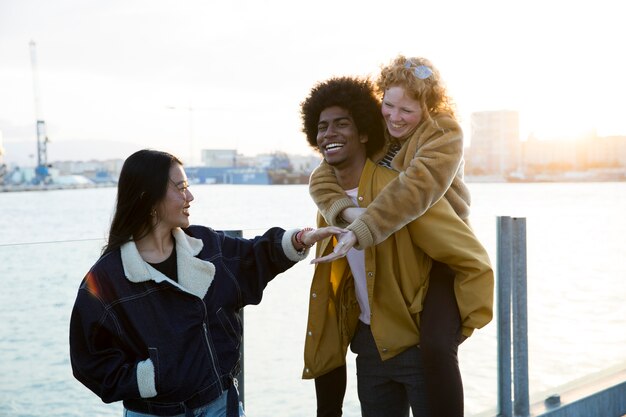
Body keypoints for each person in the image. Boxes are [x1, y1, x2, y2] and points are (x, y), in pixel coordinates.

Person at [69, 149, 344, 417]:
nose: (190, 196)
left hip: (222, 406)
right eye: (180, 187)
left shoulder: (207, 246)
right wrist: (148, 377)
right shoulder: (108, 277)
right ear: (148, 196)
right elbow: (89, 361)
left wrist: (297, 240)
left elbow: (252, 256)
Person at [300, 77, 494, 417]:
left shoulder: (403, 193)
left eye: (341, 124)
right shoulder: (327, 201)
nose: (329, 133)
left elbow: (467, 254)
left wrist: (453, 330)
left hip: (417, 342)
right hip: (369, 346)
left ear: (364, 132)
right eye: (322, 127)